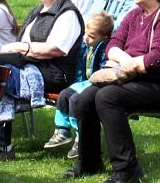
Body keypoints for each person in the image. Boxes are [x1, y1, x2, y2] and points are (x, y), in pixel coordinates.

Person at [65, 0, 160, 183]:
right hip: (131, 79)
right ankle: (89, 162)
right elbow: (112, 44)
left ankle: (128, 169)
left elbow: (159, 59)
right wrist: (125, 60)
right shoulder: (134, 14)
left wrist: (130, 64)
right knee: (83, 99)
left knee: (107, 97)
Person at [0, 0, 84, 160]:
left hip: (55, 74)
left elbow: (56, 49)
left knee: (0, 77)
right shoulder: (38, 10)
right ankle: (0, 144)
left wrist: (21, 48)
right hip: (30, 66)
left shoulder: (68, 14)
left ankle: (2, 146)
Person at [44, 12, 114, 158]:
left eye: (92, 36)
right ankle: (62, 130)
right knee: (64, 94)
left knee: (76, 99)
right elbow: (81, 66)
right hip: (85, 81)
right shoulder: (86, 45)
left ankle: (80, 135)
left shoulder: (105, 49)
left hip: (98, 83)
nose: (86, 39)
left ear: (105, 37)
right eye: (85, 34)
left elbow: (104, 70)